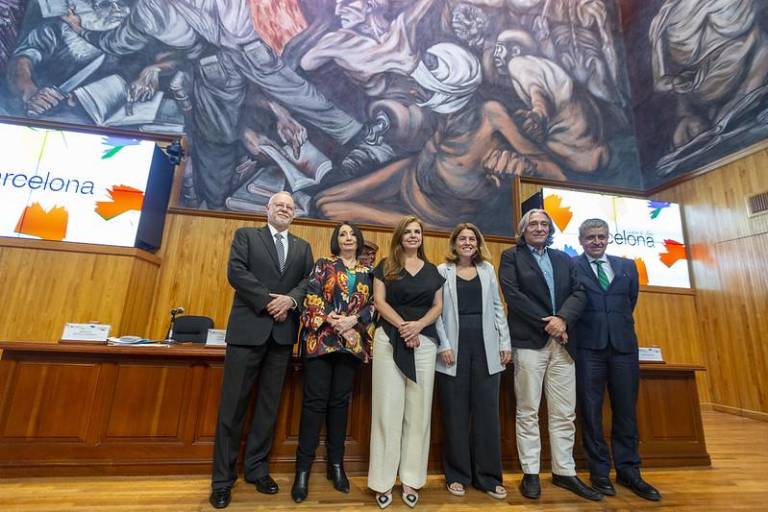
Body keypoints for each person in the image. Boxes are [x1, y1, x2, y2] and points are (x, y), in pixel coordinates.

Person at [316, 42, 567, 230]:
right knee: (321, 199)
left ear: (447, 90)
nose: (415, 90)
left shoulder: (491, 115)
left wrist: (526, 168)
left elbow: (556, 174)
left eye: (424, 88)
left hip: (433, 220)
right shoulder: (441, 115)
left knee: (328, 210)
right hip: (408, 175)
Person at [209, 191, 314, 509]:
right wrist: (271, 301)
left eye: (289, 207)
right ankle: (223, 480)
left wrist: (291, 300)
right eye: (279, 205)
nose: (284, 209)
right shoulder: (246, 236)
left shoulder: (302, 247)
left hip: (282, 337)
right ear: (266, 209)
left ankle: (256, 470)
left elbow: (309, 281)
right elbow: (237, 273)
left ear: (294, 214)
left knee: (268, 409)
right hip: (247, 333)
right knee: (233, 409)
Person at [498, 209, 600, 501]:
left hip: (564, 343)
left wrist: (563, 319)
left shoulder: (564, 258)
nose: (539, 228)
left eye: (544, 224)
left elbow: (580, 293)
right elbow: (513, 296)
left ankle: (564, 471)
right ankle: (530, 472)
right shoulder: (511, 257)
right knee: (528, 410)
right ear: (523, 229)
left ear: (550, 229)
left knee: (564, 412)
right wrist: (550, 323)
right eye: (534, 224)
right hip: (530, 342)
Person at [571, 218, 662, 501]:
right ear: (581, 240)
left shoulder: (626, 266)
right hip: (588, 348)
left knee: (625, 411)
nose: (596, 241)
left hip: (623, 348)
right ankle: (599, 471)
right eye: (590, 237)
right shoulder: (573, 266)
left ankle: (629, 470)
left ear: (608, 238)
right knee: (591, 411)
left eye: (601, 236)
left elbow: (629, 301)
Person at [291, 222, 375, 503]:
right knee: (314, 403)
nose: (348, 238)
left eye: (352, 234)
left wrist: (353, 321)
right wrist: (333, 319)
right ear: (336, 240)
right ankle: (302, 470)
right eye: (343, 234)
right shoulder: (323, 264)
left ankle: (335, 466)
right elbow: (311, 295)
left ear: (359, 240)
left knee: (340, 404)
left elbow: (373, 306)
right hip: (321, 342)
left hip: (351, 343)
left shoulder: (368, 272)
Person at [368, 215, 444, 508]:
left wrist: (418, 327)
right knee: (387, 411)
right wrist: (404, 326)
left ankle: (411, 478)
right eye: (408, 232)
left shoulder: (434, 271)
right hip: (389, 339)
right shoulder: (385, 267)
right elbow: (379, 302)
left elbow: (438, 307)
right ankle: (383, 481)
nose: (413, 236)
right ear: (399, 236)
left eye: (418, 232)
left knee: (419, 413)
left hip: (424, 343)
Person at [434, 223, 512, 500]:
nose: (467, 243)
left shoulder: (487, 271)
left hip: (486, 347)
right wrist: (443, 345)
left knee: (487, 414)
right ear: (454, 243)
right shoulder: (442, 271)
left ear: (478, 245)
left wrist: (505, 343)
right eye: (462, 239)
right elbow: (437, 312)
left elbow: (497, 309)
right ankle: (457, 475)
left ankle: (488, 477)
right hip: (452, 350)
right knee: (454, 414)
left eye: (472, 239)